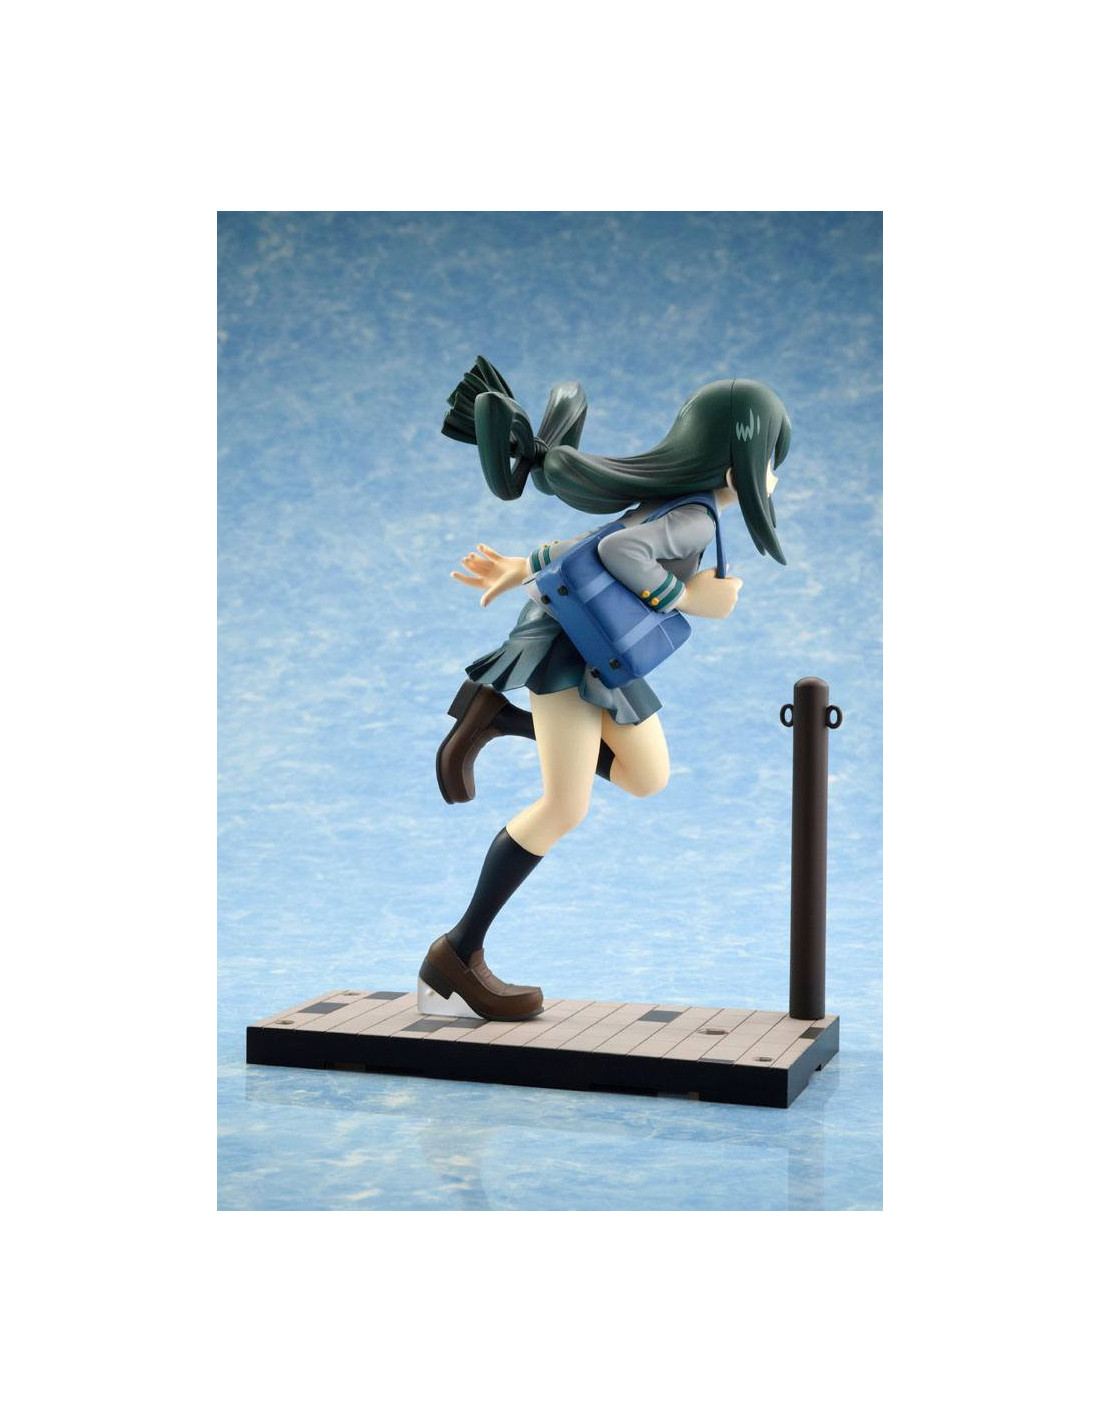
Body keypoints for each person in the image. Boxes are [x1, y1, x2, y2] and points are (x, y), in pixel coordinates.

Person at [419, 358, 791, 1021]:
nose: (774, 478)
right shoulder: (698, 519)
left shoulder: (682, 503)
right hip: (569, 647)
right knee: (564, 806)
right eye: (770, 461)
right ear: (737, 464)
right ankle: (456, 955)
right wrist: (692, 598)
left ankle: (500, 720)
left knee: (647, 775)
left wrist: (524, 564)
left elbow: (601, 539)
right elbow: (621, 554)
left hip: (601, 649)